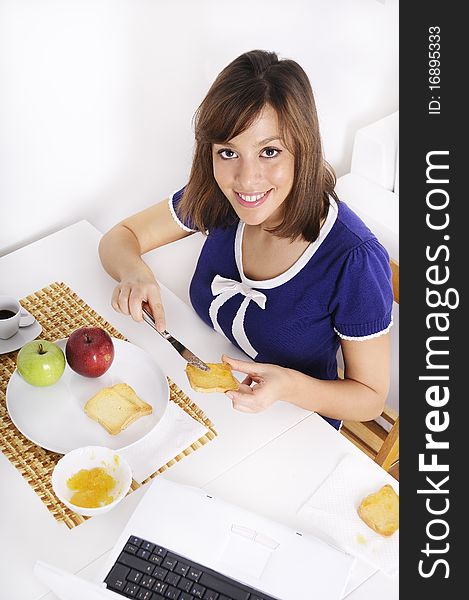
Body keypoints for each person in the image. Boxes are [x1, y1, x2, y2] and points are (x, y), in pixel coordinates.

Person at [99, 49, 393, 429]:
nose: (246, 179)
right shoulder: (218, 199)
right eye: (228, 152)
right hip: (216, 404)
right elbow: (121, 237)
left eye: (269, 151)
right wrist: (134, 272)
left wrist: (287, 385)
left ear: (302, 149)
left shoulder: (355, 260)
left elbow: (369, 399)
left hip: (293, 424)